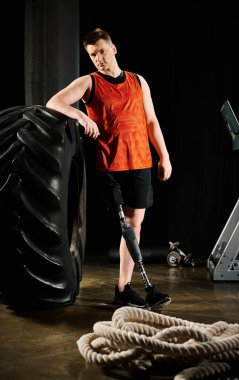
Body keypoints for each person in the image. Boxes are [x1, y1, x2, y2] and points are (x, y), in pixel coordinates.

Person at [46, 27, 172, 308]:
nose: (99, 59)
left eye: (102, 51)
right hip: (111, 166)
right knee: (127, 226)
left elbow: (151, 121)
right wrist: (80, 115)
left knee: (135, 224)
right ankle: (124, 288)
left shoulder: (139, 82)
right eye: (93, 55)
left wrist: (164, 156)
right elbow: (54, 102)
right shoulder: (88, 83)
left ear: (113, 48)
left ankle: (124, 289)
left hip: (141, 162)